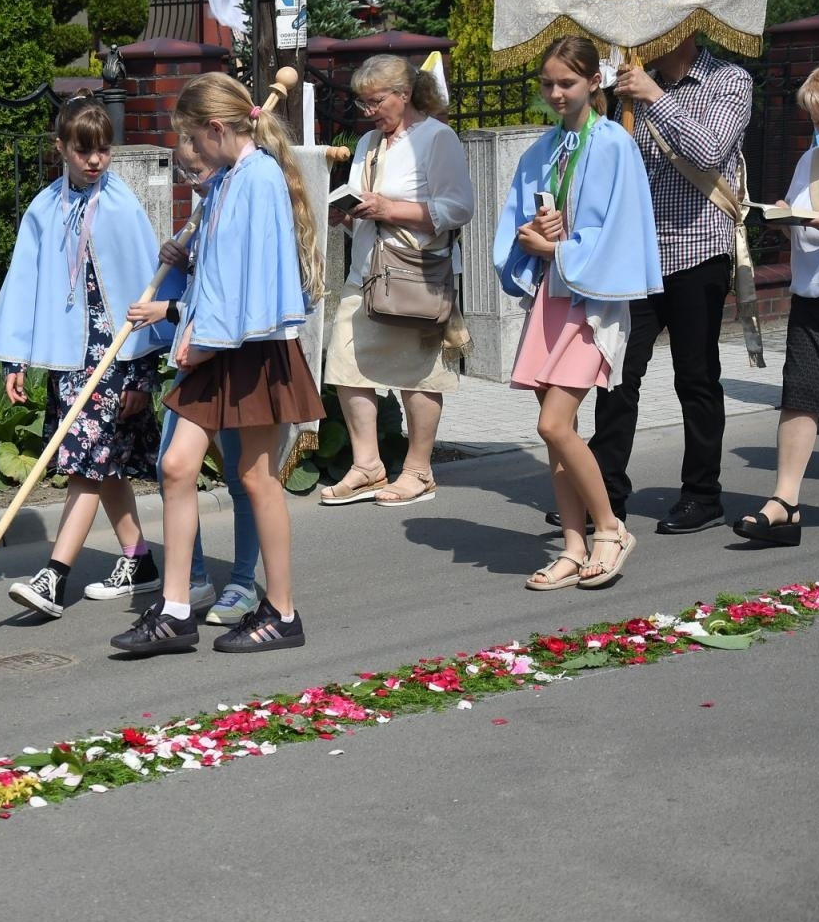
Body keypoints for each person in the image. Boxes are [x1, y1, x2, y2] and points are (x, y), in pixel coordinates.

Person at [111, 72, 324, 656]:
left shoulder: (258, 180)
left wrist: (201, 338)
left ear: (216, 129)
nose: (190, 155)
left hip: (249, 349)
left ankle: (282, 612)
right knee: (177, 467)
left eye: (191, 141)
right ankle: (177, 610)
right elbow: (217, 272)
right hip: (214, 345)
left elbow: (251, 285)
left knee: (257, 479)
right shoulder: (230, 180)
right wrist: (189, 310)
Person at [0, 95, 172, 621]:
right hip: (72, 359)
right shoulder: (45, 209)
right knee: (100, 462)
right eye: (83, 150)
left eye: (103, 150)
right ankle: (138, 559)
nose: (94, 160)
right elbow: (25, 284)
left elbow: (143, 287)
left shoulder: (123, 205)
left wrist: (141, 373)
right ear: (61, 148)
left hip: (115, 359)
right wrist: (15, 359)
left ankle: (54, 576)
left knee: (87, 463)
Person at [494, 35, 661, 590]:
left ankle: (610, 528)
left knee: (554, 423)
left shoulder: (614, 143)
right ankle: (571, 544)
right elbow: (519, 222)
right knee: (553, 434)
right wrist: (530, 238)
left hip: (592, 302)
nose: (556, 92)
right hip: (551, 297)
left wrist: (560, 249)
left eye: (566, 82)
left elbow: (621, 231)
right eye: (547, 84)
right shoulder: (543, 149)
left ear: (594, 82)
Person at [582, 32, 753, 534]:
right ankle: (606, 494)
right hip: (637, 257)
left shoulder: (728, 80)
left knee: (695, 377)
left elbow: (710, 152)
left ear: (681, 31)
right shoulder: (632, 91)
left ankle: (702, 494)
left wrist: (654, 100)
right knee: (616, 374)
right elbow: (614, 169)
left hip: (697, 249)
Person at [130, 137, 280, 626]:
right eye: (186, 176)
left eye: (195, 171)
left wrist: (168, 309)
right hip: (198, 352)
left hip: (232, 353)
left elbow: (239, 288)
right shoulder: (215, 195)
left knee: (247, 475)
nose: (192, 182)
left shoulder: (251, 184)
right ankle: (190, 582)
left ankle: (243, 583)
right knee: (172, 467)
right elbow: (210, 280)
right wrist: (183, 258)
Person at [321, 54, 473, 508]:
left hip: (416, 272)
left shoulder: (437, 138)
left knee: (418, 374)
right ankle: (367, 466)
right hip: (366, 270)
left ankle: (418, 471)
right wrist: (347, 215)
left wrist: (391, 209)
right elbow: (367, 204)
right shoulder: (369, 141)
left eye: (375, 101)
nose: (367, 112)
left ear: (404, 95)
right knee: (344, 364)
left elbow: (459, 208)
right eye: (362, 102)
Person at [733, 66, 819, 547]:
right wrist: (778, 216)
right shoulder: (810, 159)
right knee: (799, 397)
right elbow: (796, 215)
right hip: (812, 300)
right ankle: (785, 504)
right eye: (815, 118)